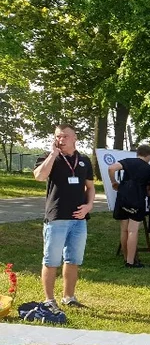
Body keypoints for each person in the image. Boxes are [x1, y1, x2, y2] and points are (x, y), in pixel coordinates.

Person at [32, 123, 96, 312]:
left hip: (79, 219)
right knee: (51, 260)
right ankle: (49, 300)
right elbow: (39, 176)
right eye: (58, 136)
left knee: (73, 260)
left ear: (74, 138)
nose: (61, 139)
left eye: (65, 136)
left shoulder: (83, 160)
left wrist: (89, 206)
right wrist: (52, 154)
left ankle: (69, 297)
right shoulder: (49, 157)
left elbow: (90, 187)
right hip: (57, 217)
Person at [109, 143, 150, 268]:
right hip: (137, 199)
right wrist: (149, 193)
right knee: (132, 231)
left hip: (123, 197)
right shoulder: (148, 168)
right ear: (149, 155)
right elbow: (149, 185)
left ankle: (125, 257)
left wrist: (114, 182)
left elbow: (111, 168)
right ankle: (131, 262)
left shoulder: (128, 161)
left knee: (124, 230)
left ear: (137, 153)